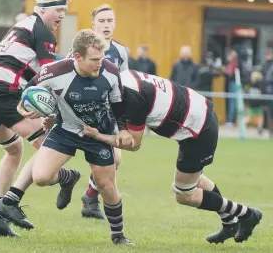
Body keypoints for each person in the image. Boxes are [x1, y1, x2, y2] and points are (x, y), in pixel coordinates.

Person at [84, 69, 262, 244]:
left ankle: (247, 214)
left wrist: (98, 136)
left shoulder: (132, 99)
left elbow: (134, 144)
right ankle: (229, 223)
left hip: (198, 131)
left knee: (184, 194)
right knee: (196, 180)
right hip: (197, 115)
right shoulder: (123, 78)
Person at [0, 29, 134, 246]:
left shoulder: (111, 72)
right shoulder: (54, 72)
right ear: (77, 57)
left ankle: (118, 236)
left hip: (99, 134)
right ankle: (68, 178)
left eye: (102, 58)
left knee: (106, 185)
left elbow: (119, 106)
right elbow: (28, 91)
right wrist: (26, 108)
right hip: (65, 130)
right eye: (95, 59)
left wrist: (123, 129)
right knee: (41, 177)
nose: (100, 63)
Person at [0, 0, 70, 237]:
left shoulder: (24, 25)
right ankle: (10, 203)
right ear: (43, 9)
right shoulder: (42, 31)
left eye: (64, 11)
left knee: (14, 150)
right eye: (59, 10)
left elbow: (37, 69)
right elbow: (50, 76)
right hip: (3, 94)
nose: (61, 16)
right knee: (51, 146)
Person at [77, 4, 129, 219]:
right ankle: (82, 191)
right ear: (93, 24)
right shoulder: (81, 48)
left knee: (115, 160)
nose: (106, 25)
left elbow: (125, 83)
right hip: (84, 111)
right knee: (108, 160)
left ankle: (90, 196)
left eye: (110, 21)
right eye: (102, 21)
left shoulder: (120, 51)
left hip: (109, 113)